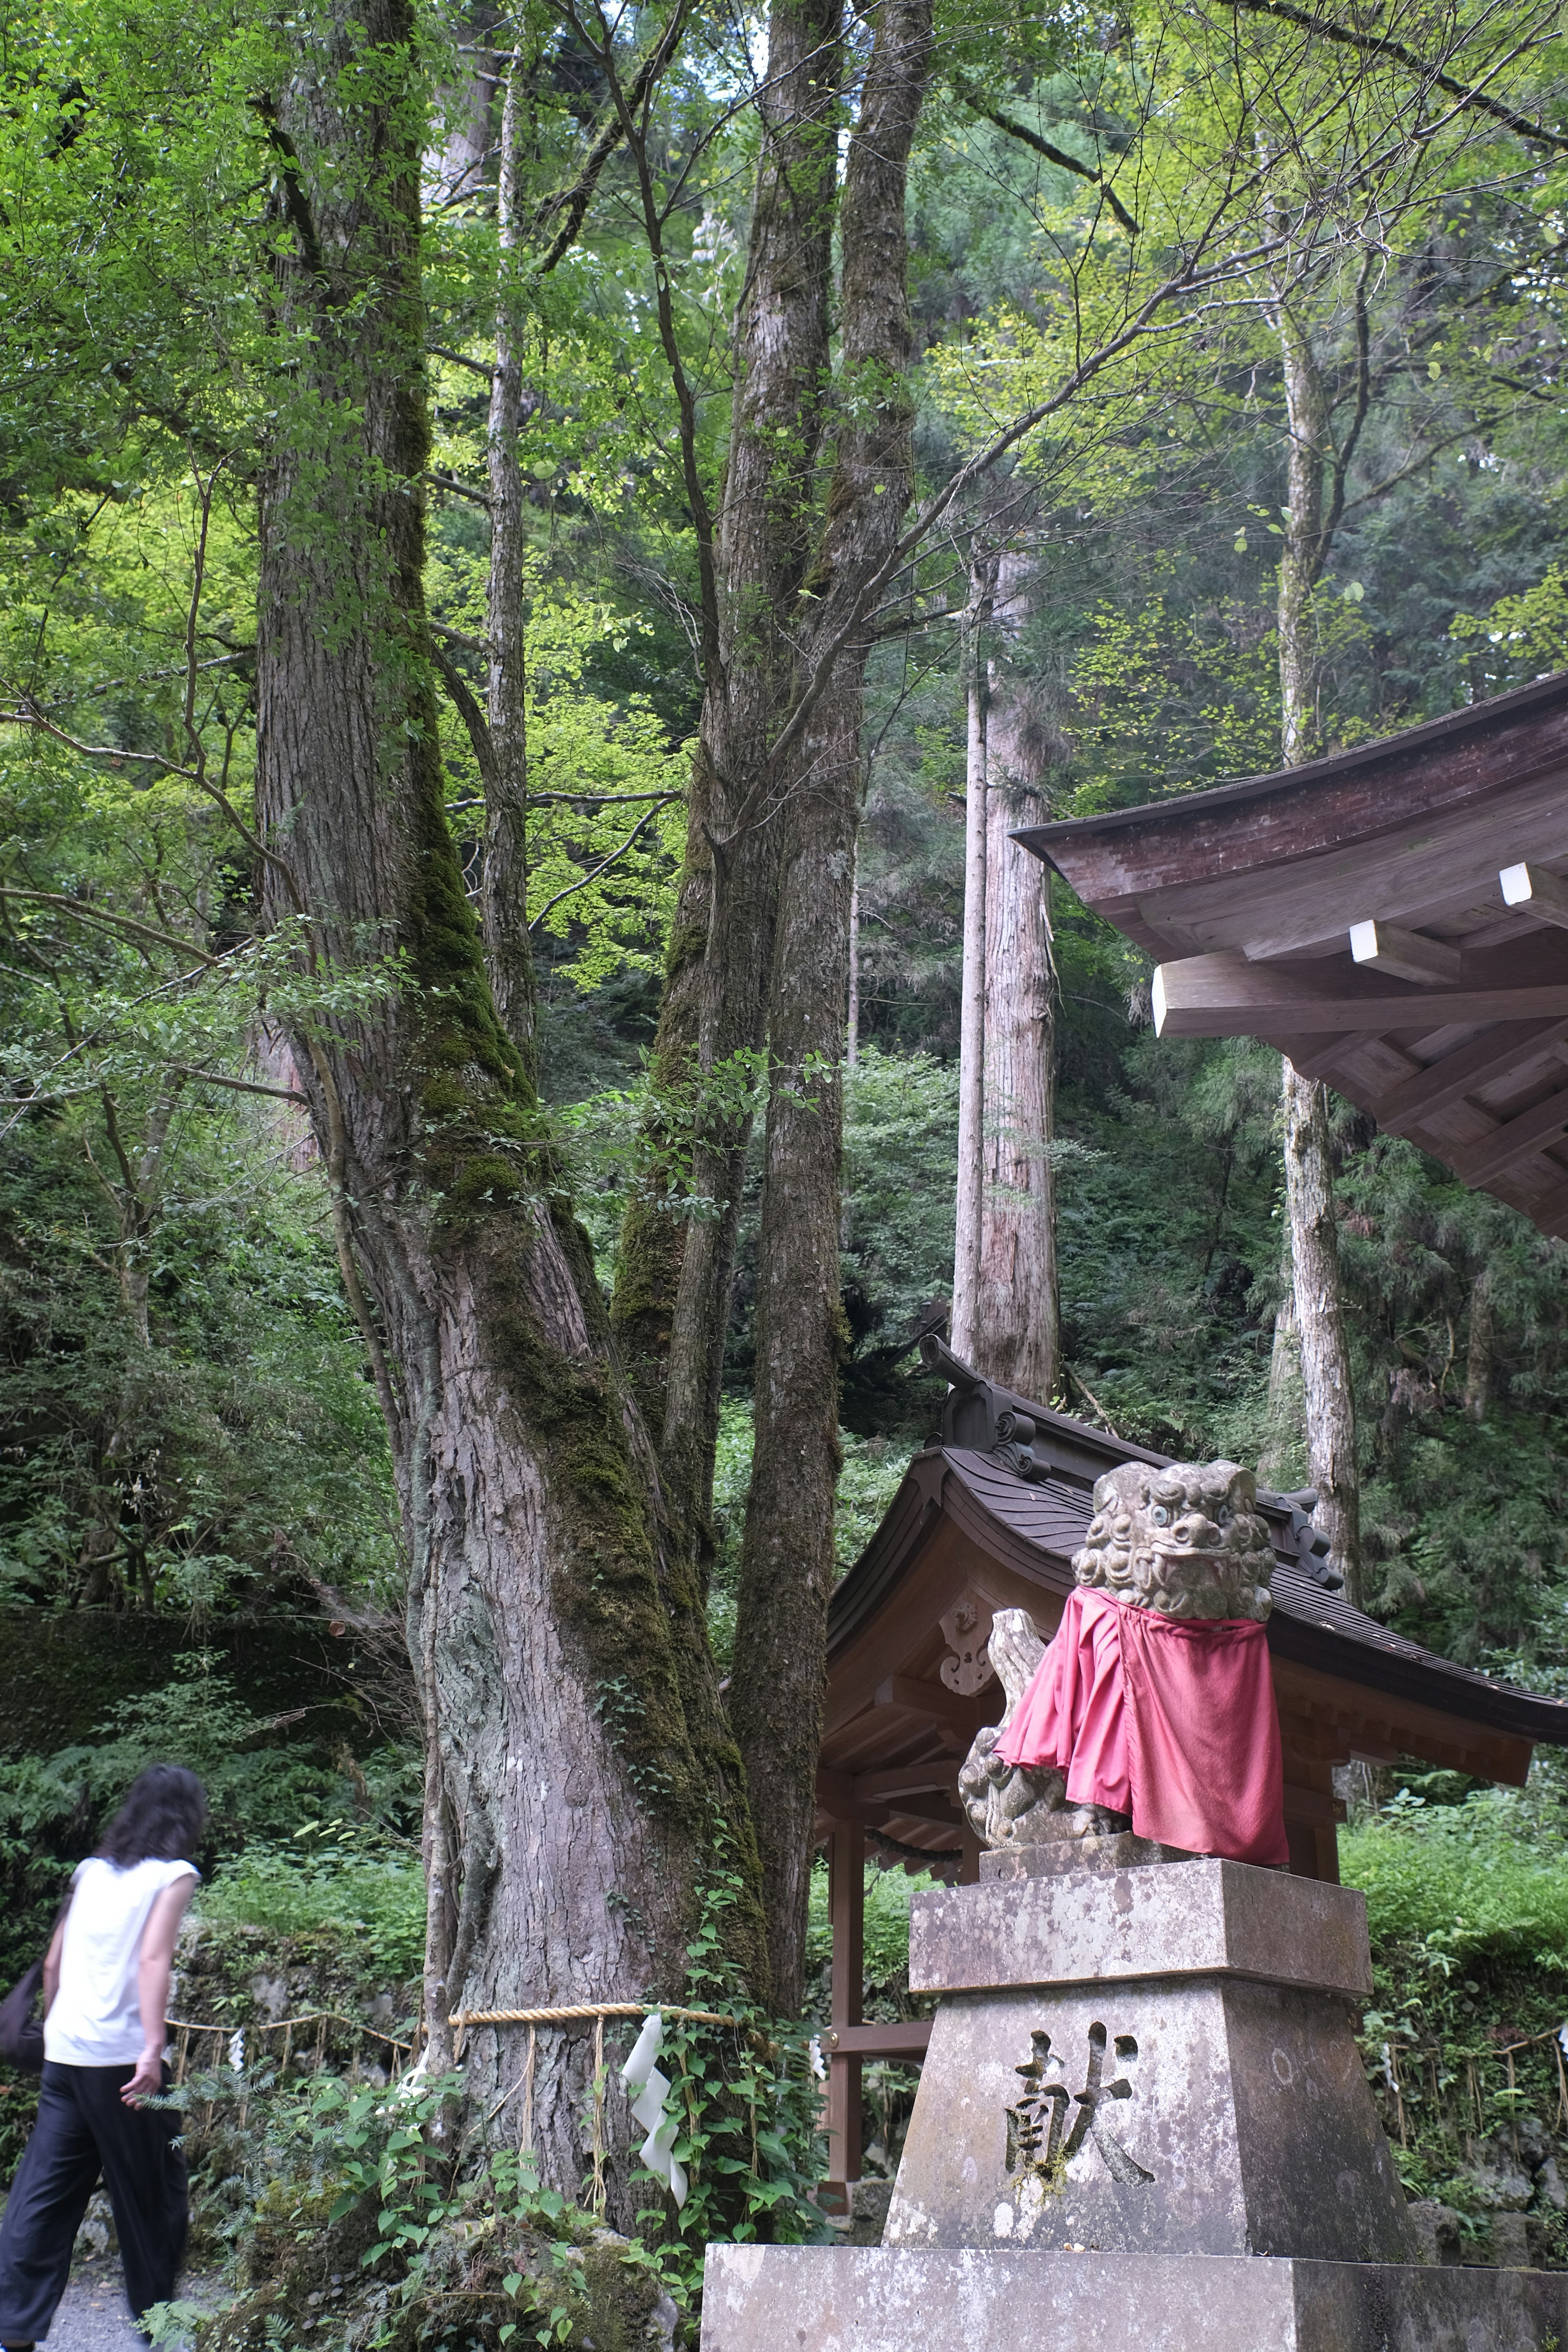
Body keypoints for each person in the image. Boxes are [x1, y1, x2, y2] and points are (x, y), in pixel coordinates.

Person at [0, 1764, 206, 2350]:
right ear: (186, 1817)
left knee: (42, 2195)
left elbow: (51, 1965)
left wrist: (66, 2029)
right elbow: (152, 1962)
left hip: (65, 2054)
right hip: (121, 2064)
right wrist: (150, 2048)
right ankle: (156, 2332)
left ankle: (12, 2331)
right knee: (152, 2198)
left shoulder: (90, 1871)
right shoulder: (173, 1876)